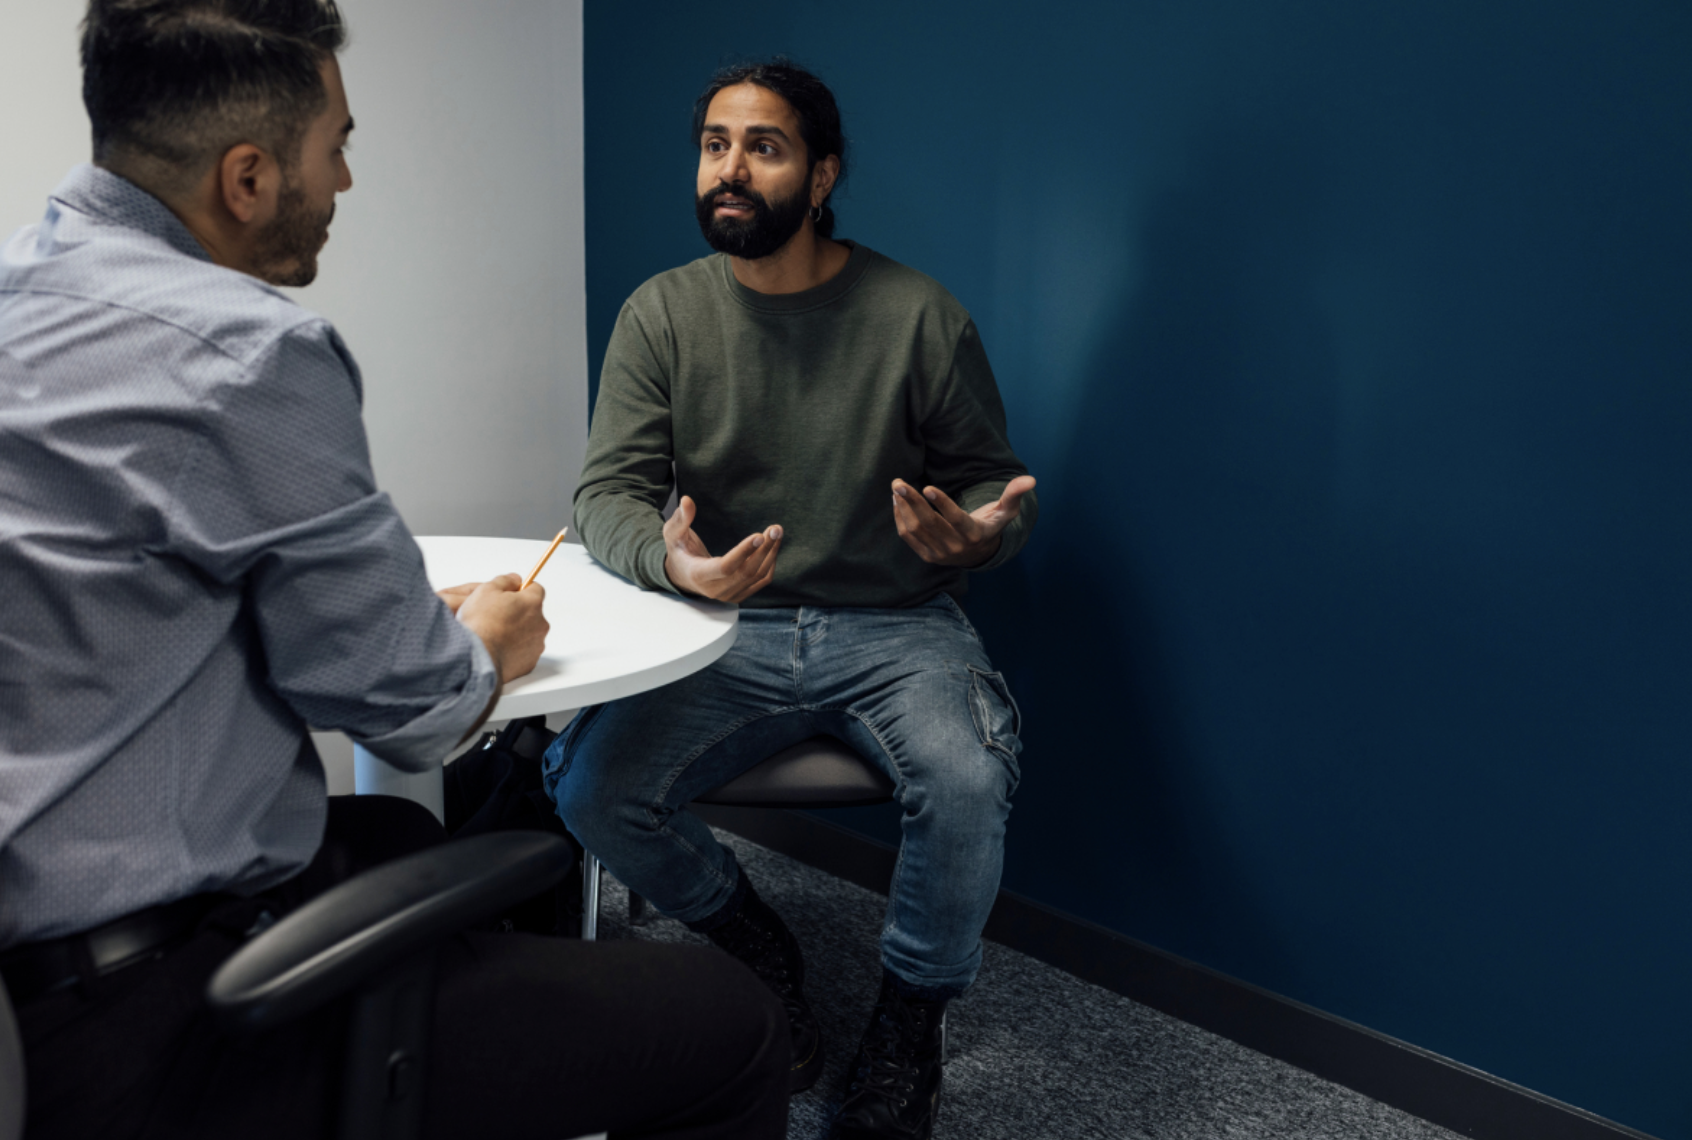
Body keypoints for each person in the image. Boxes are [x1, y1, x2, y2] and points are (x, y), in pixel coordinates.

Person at [0, 3, 789, 1138]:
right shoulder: (246, 353)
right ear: (247, 178)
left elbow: (132, 595)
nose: (346, 180)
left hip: (30, 947)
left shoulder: (25, 290)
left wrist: (388, 623)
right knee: (731, 1025)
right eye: (338, 146)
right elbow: (415, 713)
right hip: (141, 1021)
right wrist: (486, 647)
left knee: (402, 839)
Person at [548, 59, 1038, 1140]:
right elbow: (605, 496)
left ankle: (908, 1026)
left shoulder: (918, 314)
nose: (730, 168)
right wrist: (675, 568)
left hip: (896, 623)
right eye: (714, 145)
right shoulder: (662, 314)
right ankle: (753, 940)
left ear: (821, 177)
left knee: (968, 777)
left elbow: (989, 485)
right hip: (725, 624)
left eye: (762, 147)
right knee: (589, 787)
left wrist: (980, 531)